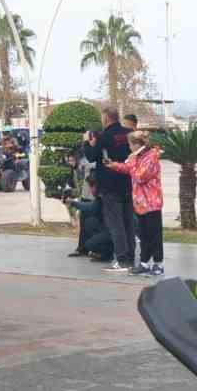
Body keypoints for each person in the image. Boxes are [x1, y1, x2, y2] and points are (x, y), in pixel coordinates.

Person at [103, 129, 165, 276]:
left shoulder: (151, 157)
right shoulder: (139, 157)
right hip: (140, 203)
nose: (129, 148)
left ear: (137, 144)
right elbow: (130, 169)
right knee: (143, 235)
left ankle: (158, 263)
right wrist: (114, 165)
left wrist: (131, 161)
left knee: (154, 234)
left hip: (152, 203)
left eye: (130, 145)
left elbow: (139, 176)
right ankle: (144, 262)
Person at [82, 106, 135, 271]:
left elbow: (91, 156)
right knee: (128, 223)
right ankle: (131, 257)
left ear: (105, 118)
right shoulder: (128, 134)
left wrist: (86, 142)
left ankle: (121, 259)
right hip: (127, 182)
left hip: (110, 186)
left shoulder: (103, 136)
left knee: (115, 224)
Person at [65, 175, 114, 260]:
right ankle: (104, 251)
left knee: (89, 245)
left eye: (91, 187)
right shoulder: (102, 196)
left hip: (113, 232)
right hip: (108, 229)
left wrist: (73, 203)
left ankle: (107, 253)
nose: (91, 191)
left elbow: (90, 208)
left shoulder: (103, 197)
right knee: (89, 222)